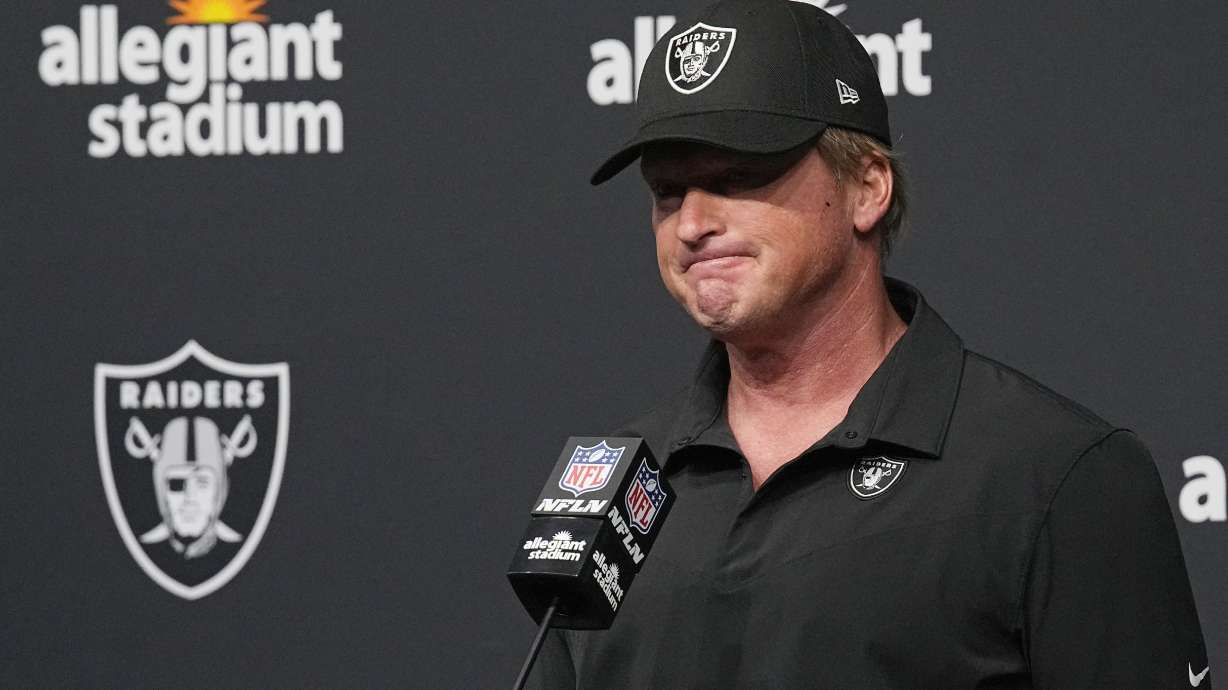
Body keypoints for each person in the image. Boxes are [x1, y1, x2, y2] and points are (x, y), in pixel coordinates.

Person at [530, 0, 1210, 687]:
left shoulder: (1055, 475)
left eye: (739, 176)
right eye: (668, 193)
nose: (693, 223)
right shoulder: (615, 488)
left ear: (866, 187)